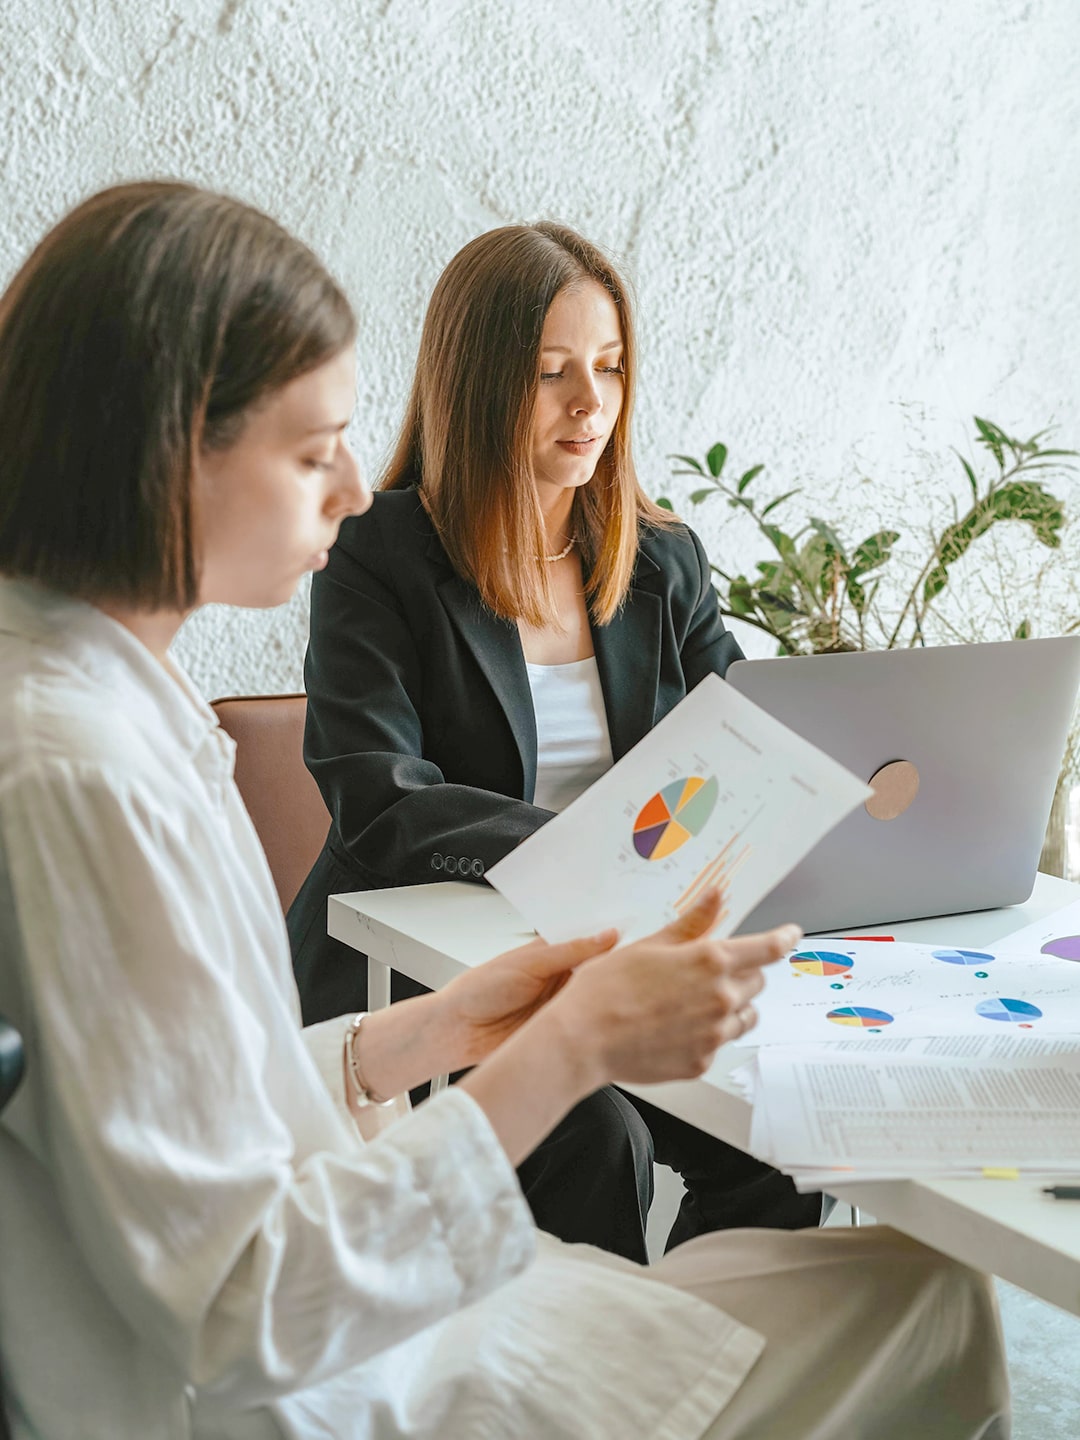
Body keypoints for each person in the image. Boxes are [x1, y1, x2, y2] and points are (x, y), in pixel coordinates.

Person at [0, 181, 1010, 1440]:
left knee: (903, 1283)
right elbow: (239, 1303)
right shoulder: (84, 775)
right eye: (315, 451)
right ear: (166, 451)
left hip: (336, 1261)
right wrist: (566, 1047)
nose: (353, 487)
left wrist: (421, 1036)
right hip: (305, 1382)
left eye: (611, 369)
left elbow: (201, 1114)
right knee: (924, 1310)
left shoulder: (103, 708)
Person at [288, 221, 821, 1261]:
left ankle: (719, 1382)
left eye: (612, 368)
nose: (593, 404)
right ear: (480, 383)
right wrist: (602, 856)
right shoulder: (377, 554)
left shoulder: (663, 561)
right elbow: (382, 798)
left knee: (778, 1135)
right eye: (553, 373)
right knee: (597, 1139)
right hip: (423, 980)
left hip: (623, 949)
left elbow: (753, 744)